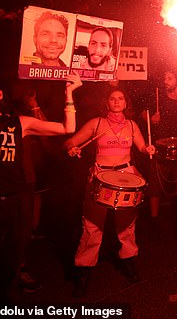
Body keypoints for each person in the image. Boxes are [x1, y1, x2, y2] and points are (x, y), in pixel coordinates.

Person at [0, 72, 82, 305]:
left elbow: (67, 127)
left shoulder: (18, 122)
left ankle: (1, 307)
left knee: (7, 266)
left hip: (12, 203)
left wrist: (69, 92)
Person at [65, 87, 155, 298]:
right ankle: (83, 273)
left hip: (126, 177)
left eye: (121, 98)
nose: (116, 101)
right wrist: (72, 148)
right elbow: (69, 141)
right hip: (100, 177)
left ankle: (129, 264)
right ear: (107, 103)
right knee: (92, 226)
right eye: (113, 98)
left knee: (127, 226)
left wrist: (147, 149)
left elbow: (142, 147)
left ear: (126, 103)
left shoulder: (132, 126)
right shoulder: (96, 123)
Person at [144, 70, 177, 238]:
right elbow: (142, 113)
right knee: (156, 184)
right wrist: (150, 119)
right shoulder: (158, 97)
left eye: (170, 78)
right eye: (164, 78)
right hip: (160, 146)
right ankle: (154, 219)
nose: (166, 81)